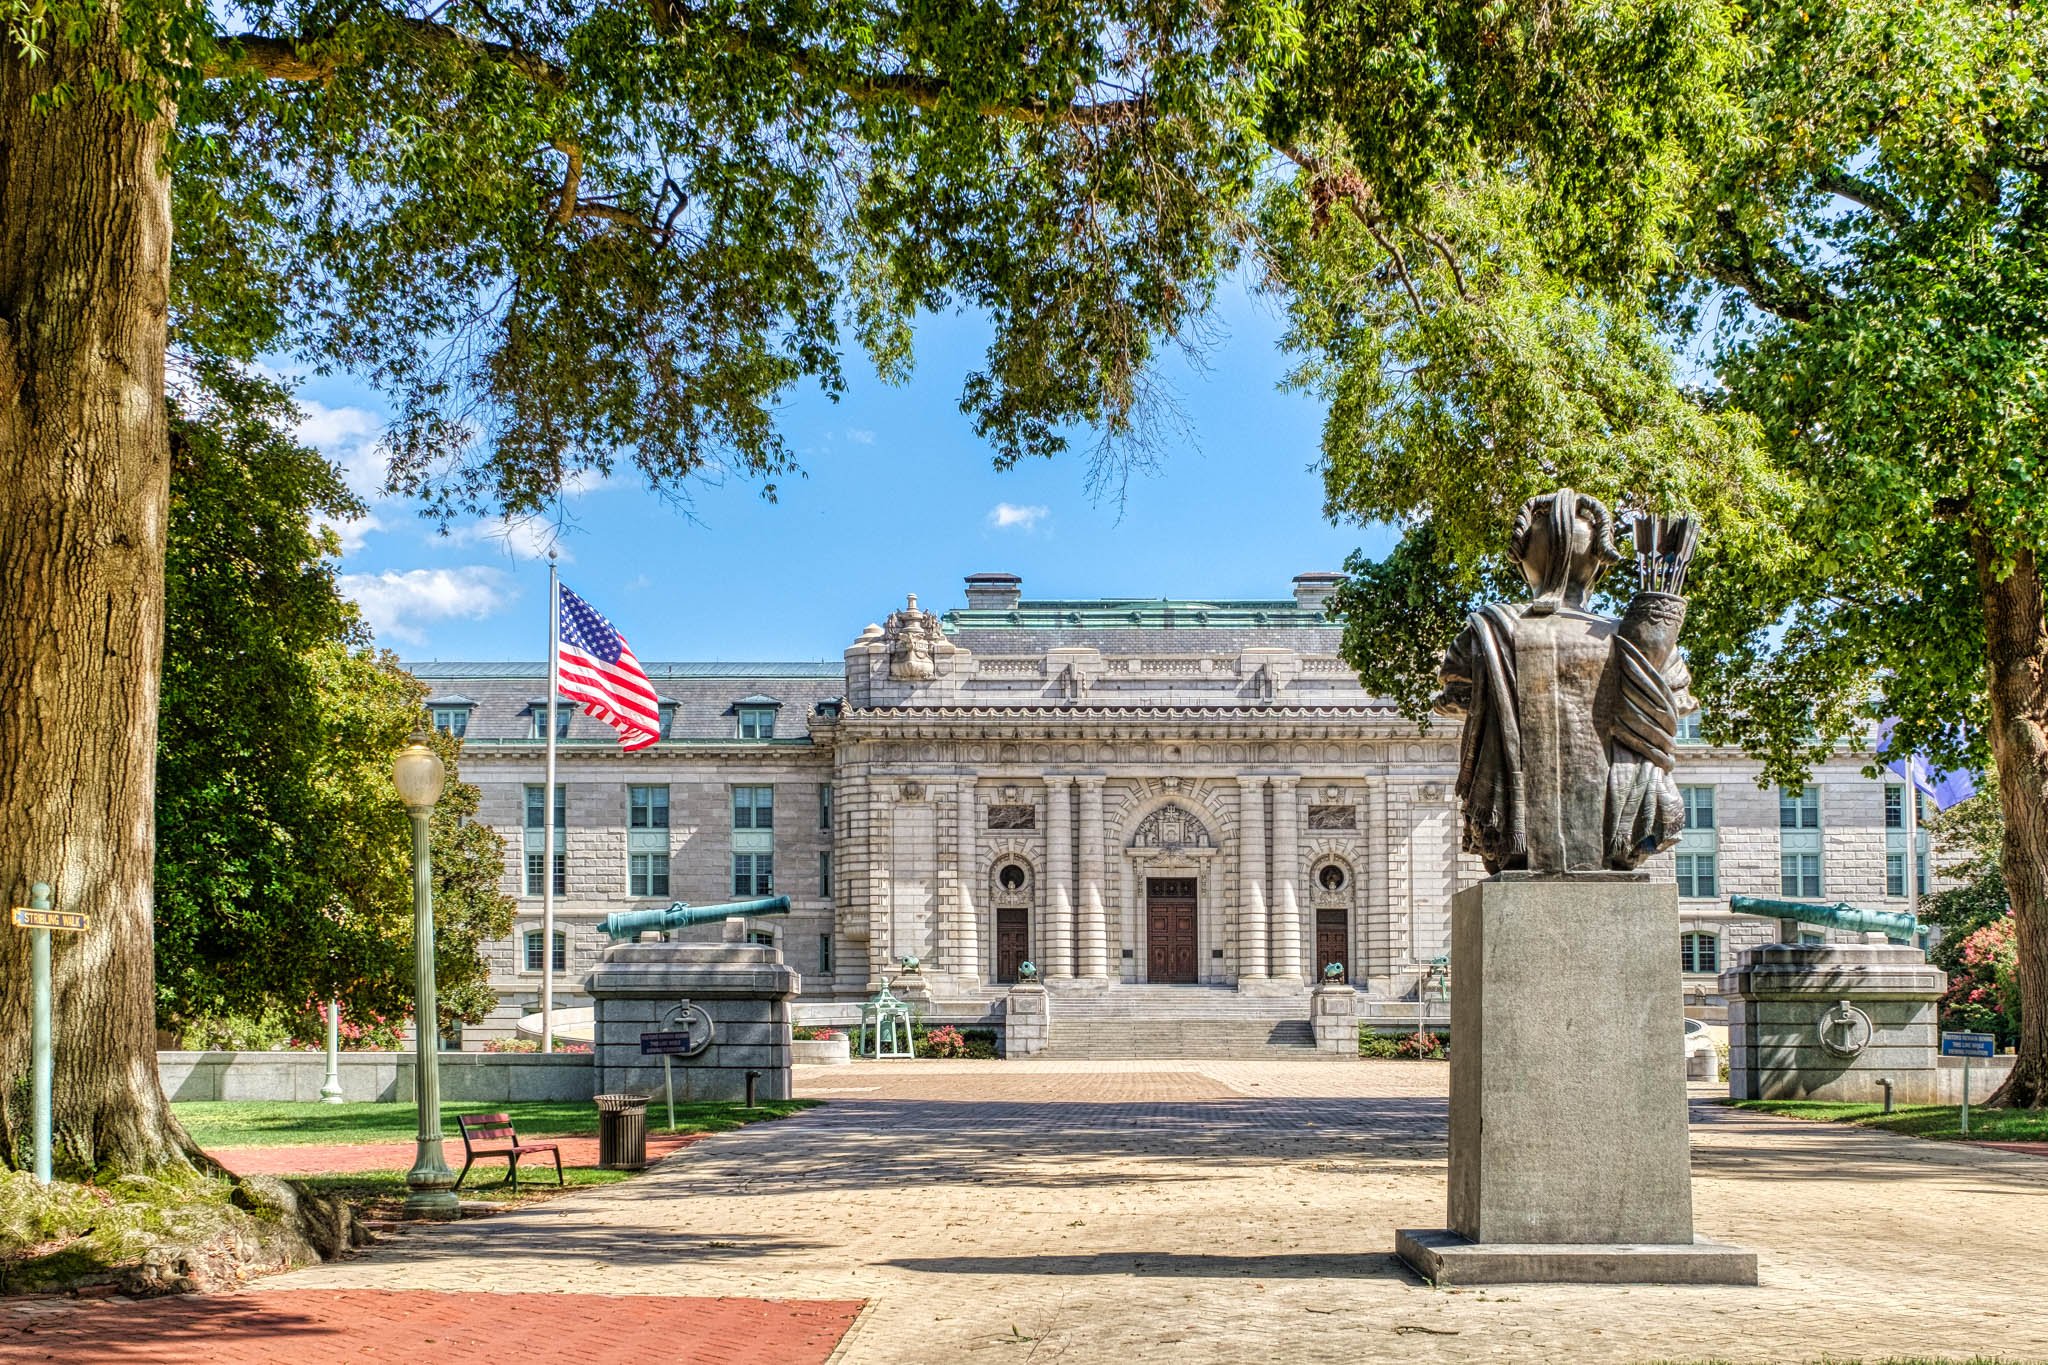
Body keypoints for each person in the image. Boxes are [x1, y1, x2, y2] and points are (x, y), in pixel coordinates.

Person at [1435, 488, 1692, 874]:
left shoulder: (1487, 633)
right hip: (1617, 830)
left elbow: (1453, 700)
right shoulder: (1638, 642)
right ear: (1598, 564)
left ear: (1523, 560)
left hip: (1518, 840)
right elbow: (1677, 703)